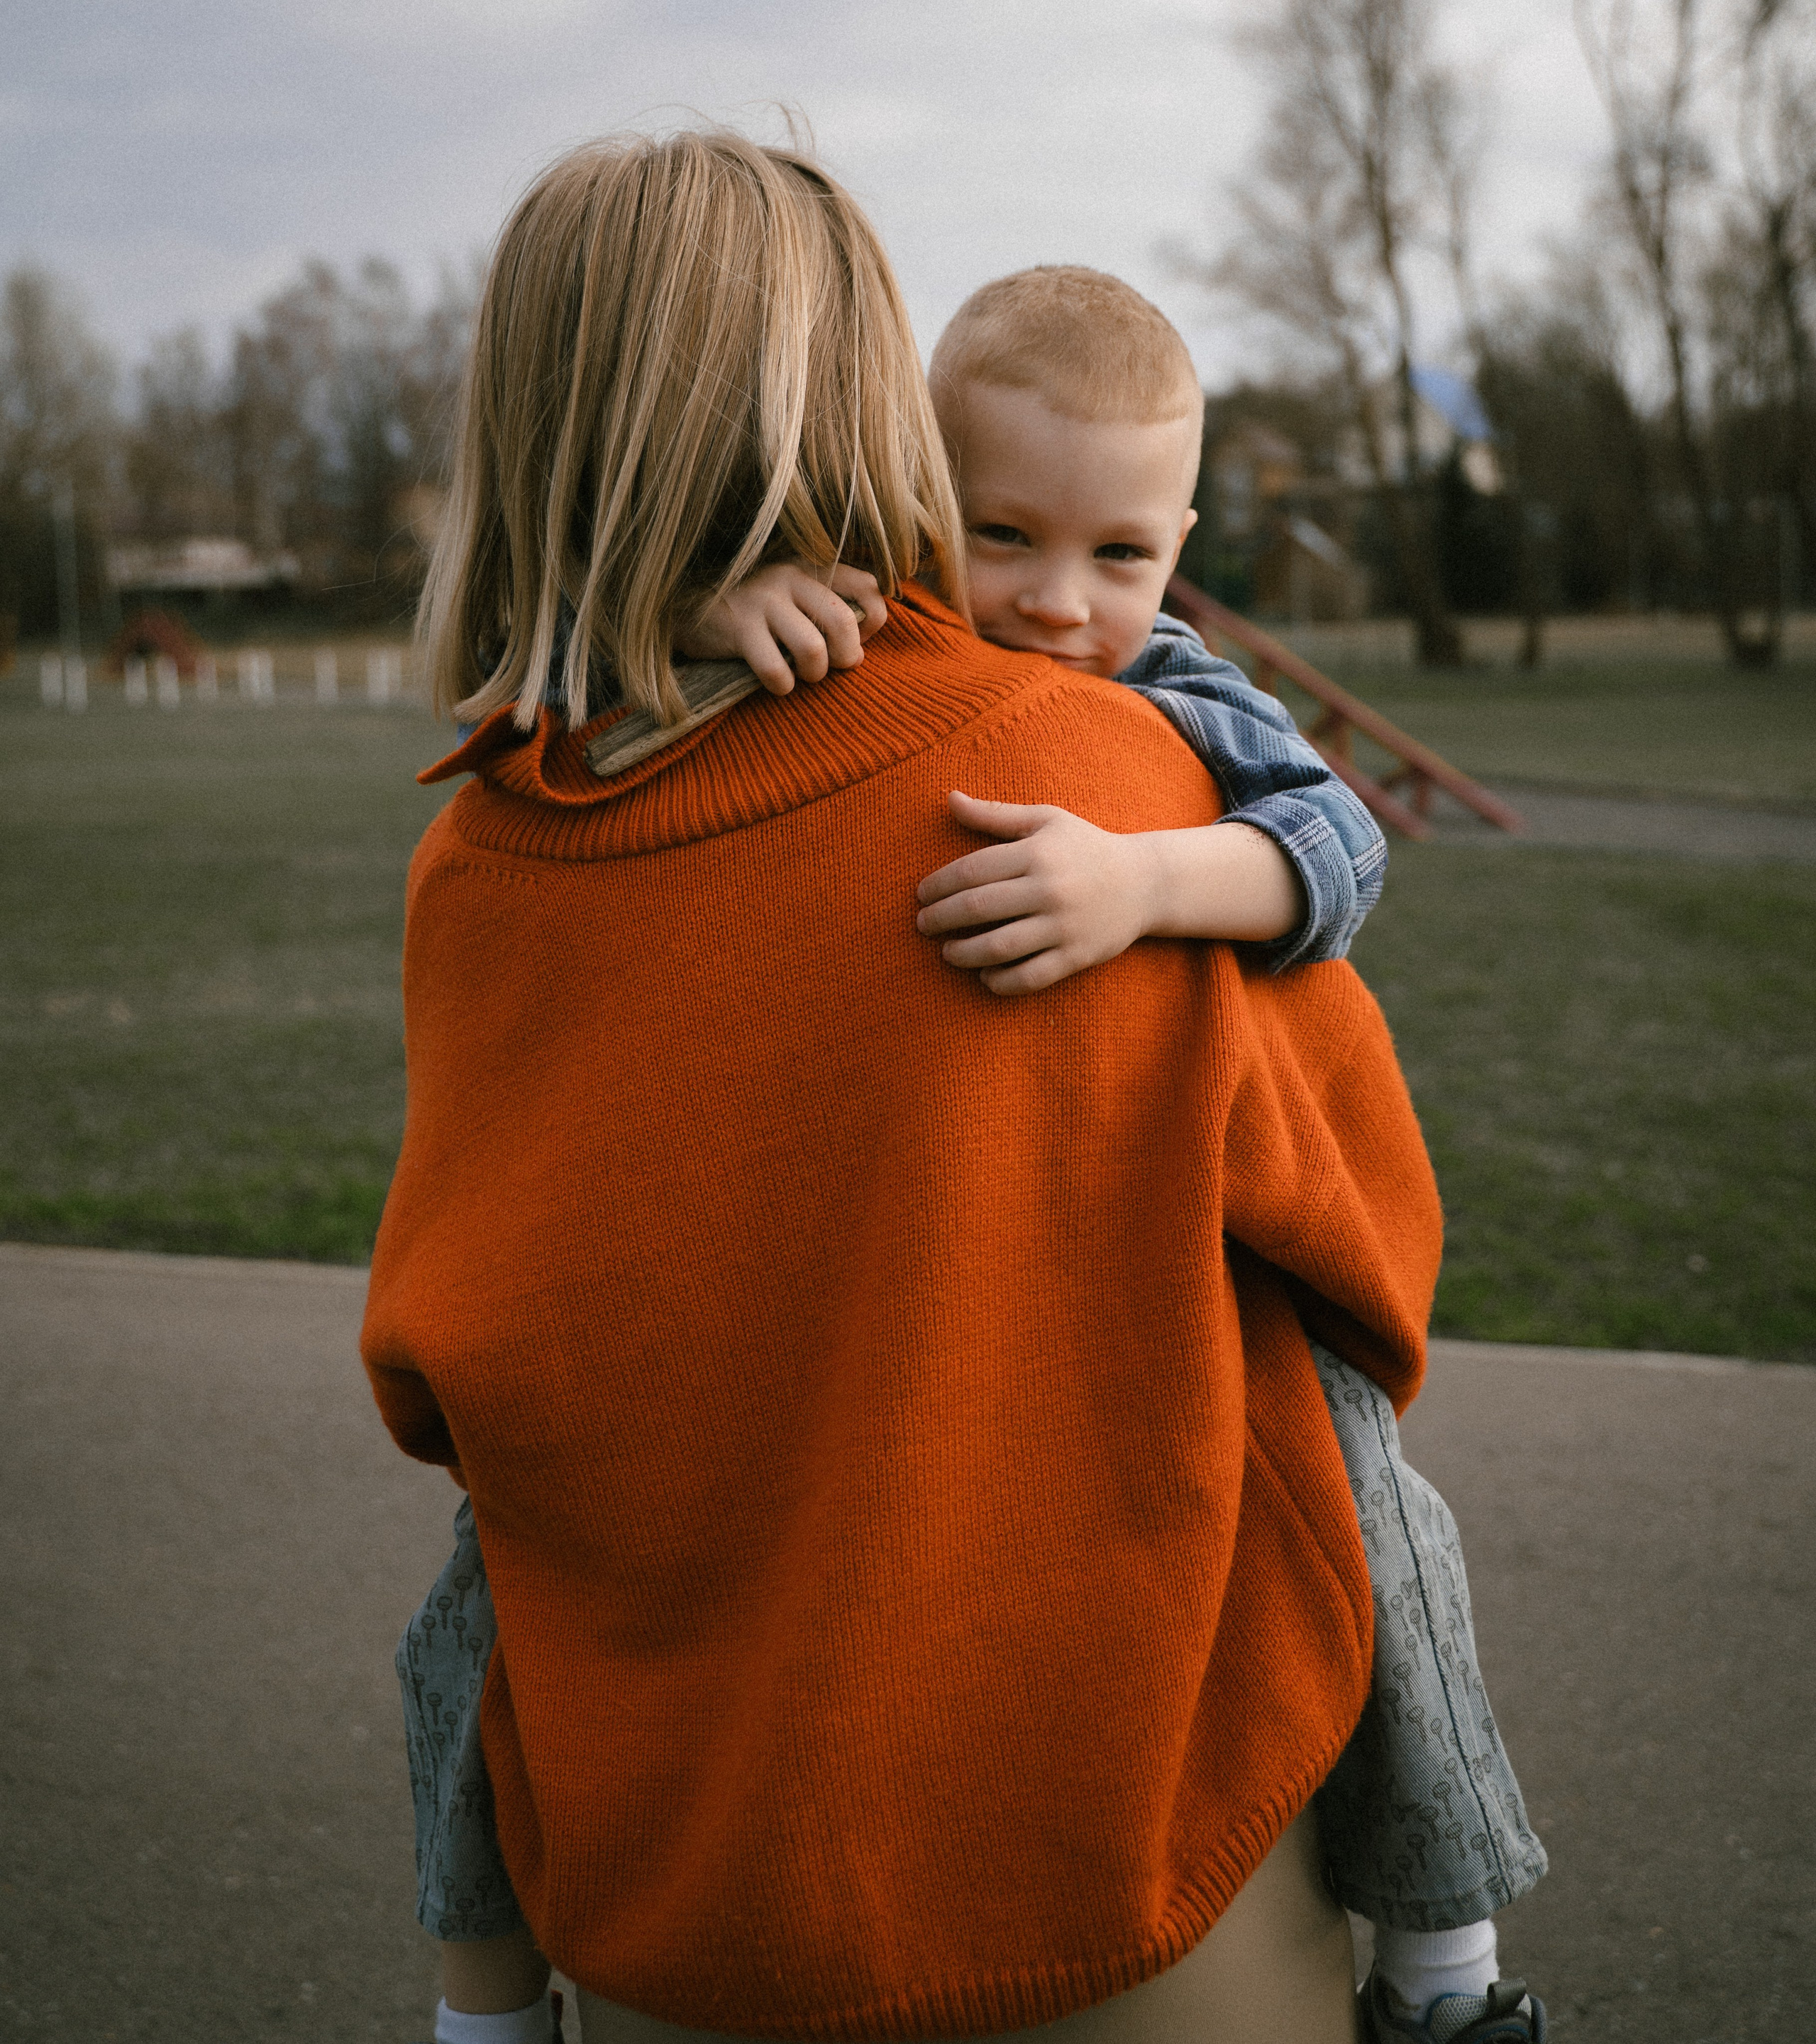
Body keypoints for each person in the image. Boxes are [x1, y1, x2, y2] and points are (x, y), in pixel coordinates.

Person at [365, 128, 1449, 2044]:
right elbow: (1364, 1224)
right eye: (1007, 530)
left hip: (662, 1871)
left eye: (1118, 552)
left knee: (474, 1604)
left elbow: (442, 1366)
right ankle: (1453, 1933)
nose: (1055, 596)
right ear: (870, 403)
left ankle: (473, 1993)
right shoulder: (1067, 775)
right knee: (1367, 1465)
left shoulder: (482, 856)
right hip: (1119, 1862)